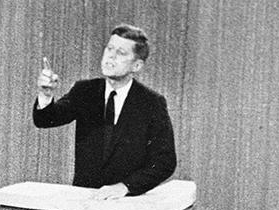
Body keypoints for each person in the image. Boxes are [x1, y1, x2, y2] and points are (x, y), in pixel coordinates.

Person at [33, 24, 176, 200]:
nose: (110, 56)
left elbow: (165, 162)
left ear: (137, 65)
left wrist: (125, 187)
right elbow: (46, 120)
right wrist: (45, 95)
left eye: (121, 53)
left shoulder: (151, 103)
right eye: (109, 49)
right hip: (85, 200)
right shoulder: (85, 91)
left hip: (127, 204)